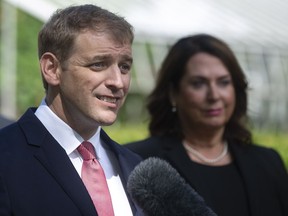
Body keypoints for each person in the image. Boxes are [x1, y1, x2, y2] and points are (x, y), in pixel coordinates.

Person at [0, 4, 144, 216]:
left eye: (124, 67)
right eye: (98, 64)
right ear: (52, 69)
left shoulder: (136, 167)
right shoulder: (6, 157)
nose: (118, 82)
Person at [125, 34, 288, 216]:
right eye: (198, 83)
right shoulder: (137, 161)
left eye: (224, 82)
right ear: (173, 93)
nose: (214, 95)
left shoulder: (268, 163)